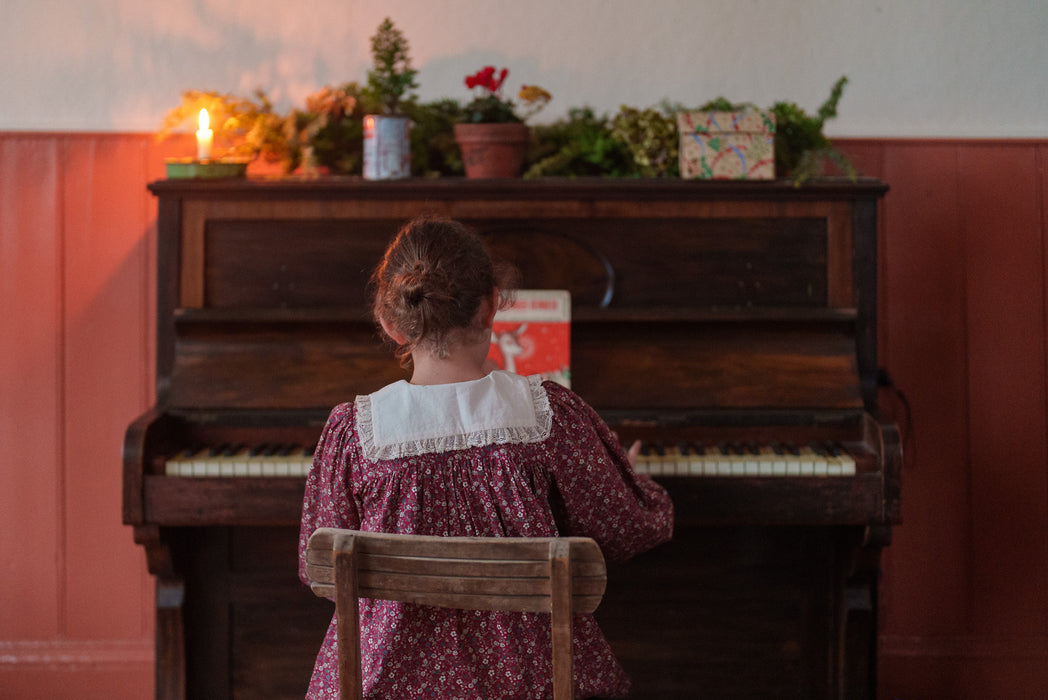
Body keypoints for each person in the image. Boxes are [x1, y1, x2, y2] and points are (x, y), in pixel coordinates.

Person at [298, 215, 673, 699]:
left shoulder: (353, 432)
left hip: (385, 686)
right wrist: (627, 478)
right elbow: (628, 530)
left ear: (392, 323)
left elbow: (321, 572)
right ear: (493, 304)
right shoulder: (548, 415)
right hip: (531, 684)